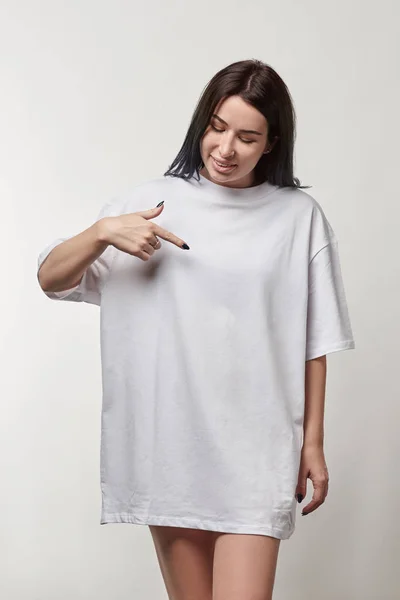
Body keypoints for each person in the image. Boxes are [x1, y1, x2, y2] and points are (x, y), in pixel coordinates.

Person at [37, 59, 355, 600]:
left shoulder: (299, 217)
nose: (226, 149)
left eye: (248, 137)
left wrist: (313, 444)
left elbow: (314, 341)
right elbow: (50, 278)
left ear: (272, 143)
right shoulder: (144, 208)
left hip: (256, 448)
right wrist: (101, 232)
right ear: (201, 124)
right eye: (217, 127)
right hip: (170, 446)